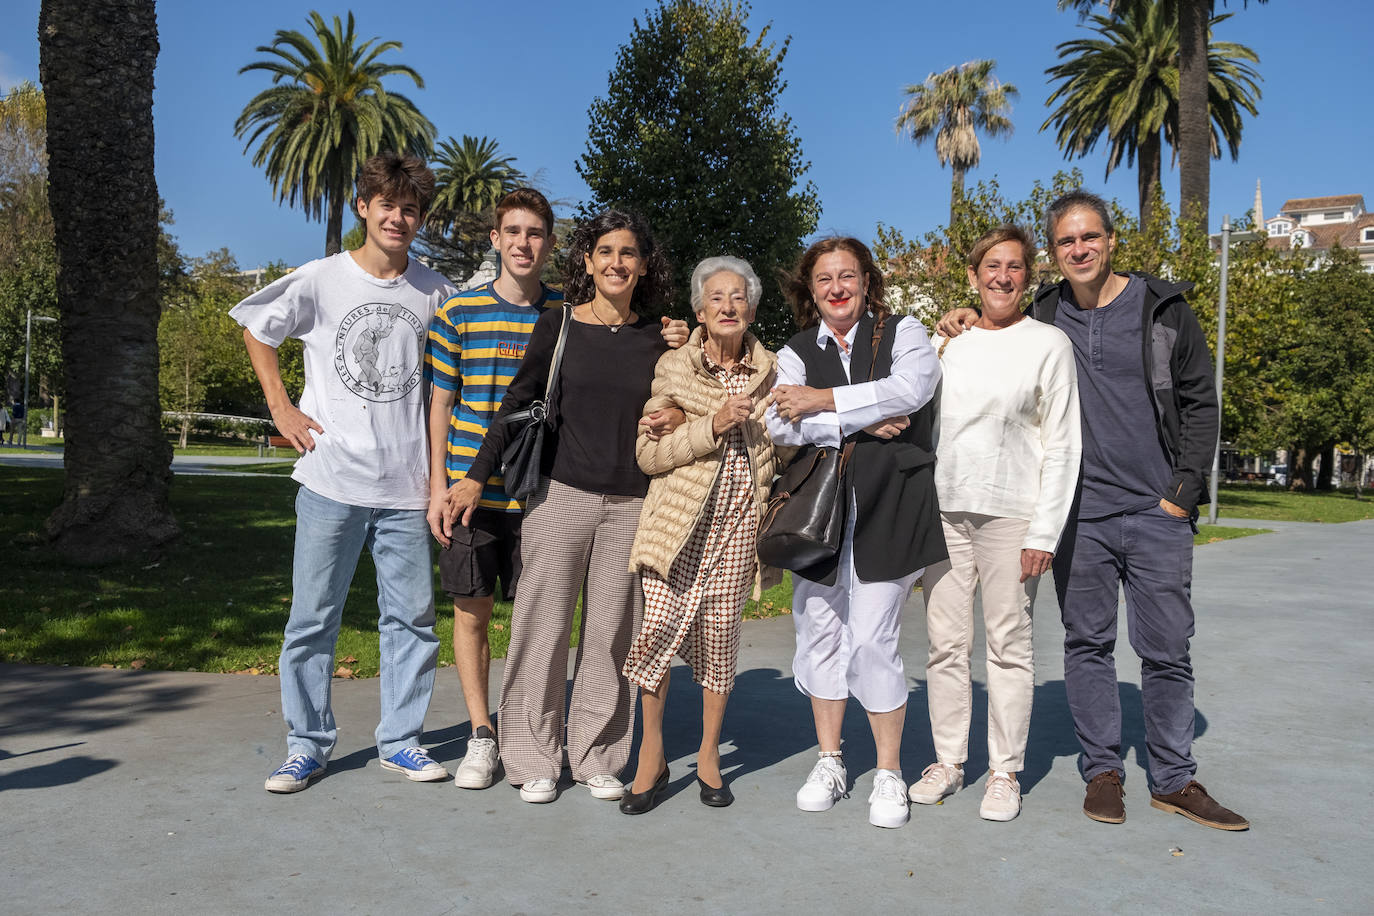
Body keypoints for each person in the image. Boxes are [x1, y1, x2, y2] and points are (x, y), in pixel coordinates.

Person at [936, 189, 1248, 831]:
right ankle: (1102, 771)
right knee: (1087, 644)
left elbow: (1199, 405)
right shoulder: (1047, 314)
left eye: (1090, 237)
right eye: (1066, 242)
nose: (1079, 249)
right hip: (1082, 516)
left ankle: (1173, 778)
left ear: (1111, 240)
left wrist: (1181, 493)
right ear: (1053, 255)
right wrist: (961, 318)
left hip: (1157, 510)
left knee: (1165, 648)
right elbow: (999, 331)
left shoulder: (1164, 309)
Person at [425, 190, 686, 791]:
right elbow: (515, 406)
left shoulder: (664, 338)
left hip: (634, 503)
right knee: (540, 628)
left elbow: (692, 401)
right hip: (559, 496)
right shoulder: (559, 323)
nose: (616, 262)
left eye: (629, 253)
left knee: (611, 633)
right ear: (587, 262)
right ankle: (532, 760)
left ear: (645, 265)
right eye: (604, 251)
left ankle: (597, 757)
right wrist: (472, 477)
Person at [233, 152, 456, 794]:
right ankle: (307, 745)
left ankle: (401, 741)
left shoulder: (437, 292)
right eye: (387, 205)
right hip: (332, 480)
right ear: (364, 207)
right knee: (312, 619)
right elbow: (257, 327)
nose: (398, 218)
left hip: (411, 487)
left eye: (410, 209)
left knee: (412, 620)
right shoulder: (321, 278)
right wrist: (281, 408)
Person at [766, 237, 945, 829]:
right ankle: (831, 760)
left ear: (867, 282)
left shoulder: (906, 332)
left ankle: (889, 770)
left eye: (848, 276)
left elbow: (914, 389)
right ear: (810, 289)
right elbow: (779, 424)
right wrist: (865, 417)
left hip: (890, 507)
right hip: (818, 517)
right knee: (819, 634)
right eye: (824, 279)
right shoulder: (793, 351)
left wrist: (822, 402)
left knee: (871, 640)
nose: (837, 288)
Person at [913, 225, 1081, 822]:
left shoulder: (1049, 344)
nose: (1002, 276)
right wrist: (939, 335)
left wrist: (1044, 534)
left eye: (1014, 266)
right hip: (944, 510)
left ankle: (1005, 771)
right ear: (973, 275)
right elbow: (918, 416)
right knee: (944, 644)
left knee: (1008, 646)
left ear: (1026, 276)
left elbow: (1063, 445)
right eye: (992, 266)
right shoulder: (947, 344)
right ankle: (949, 761)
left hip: (1013, 514)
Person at [618, 256, 785, 814]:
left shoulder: (775, 372)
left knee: (719, 641)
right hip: (676, 529)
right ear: (699, 311)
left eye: (738, 297)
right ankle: (653, 753)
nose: (728, 306)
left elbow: (788, 444)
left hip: (739, 529)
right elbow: (647, 455)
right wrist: (710, 426)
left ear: (753, 308)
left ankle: (710, 754)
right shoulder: (673, 368)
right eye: (716, 297)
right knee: (657, 635)